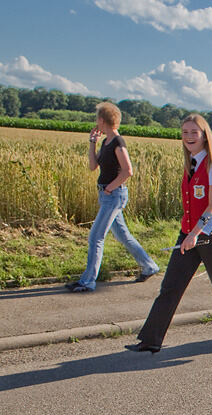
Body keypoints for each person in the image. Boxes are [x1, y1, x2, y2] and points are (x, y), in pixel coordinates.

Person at [125, 114, 212, 353]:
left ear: (205, 136)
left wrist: (194, 233)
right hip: (189, 234)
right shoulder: (191, 163)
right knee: (171, 286)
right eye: (185, 132)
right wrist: (188, 233)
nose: (188, 137)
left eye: (194, 132)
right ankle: (151, 339)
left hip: (210, 237)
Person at [65, 102, 159, 292]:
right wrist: (92, 142)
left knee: (95, 237)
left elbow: (127, 171)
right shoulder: (107, 142)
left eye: (97, 119)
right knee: (123, 235)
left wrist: (109, 188)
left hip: (114, 195)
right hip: (108, 195)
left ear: (102, 120)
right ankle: (150, 266)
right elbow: (93, 166)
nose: (96, 122)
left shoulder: (118, 142)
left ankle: (87, 281)